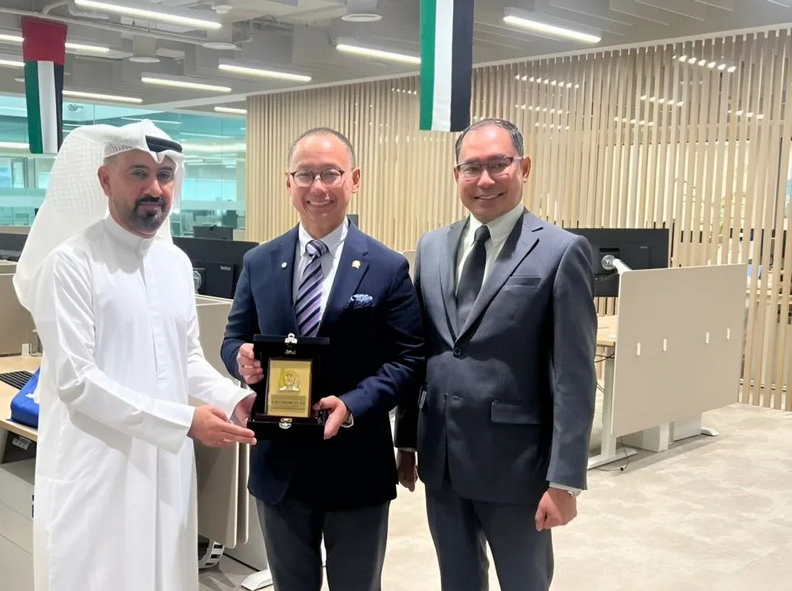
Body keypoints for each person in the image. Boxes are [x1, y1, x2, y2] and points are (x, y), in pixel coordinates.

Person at [12, 120, 257, 591]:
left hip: (164, 467)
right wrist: (184, 422)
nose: (155, 188)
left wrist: (233, 399)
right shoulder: (69, 264)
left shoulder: (175, 264)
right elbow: (77, 381)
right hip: (98, 469)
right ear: (105, 180)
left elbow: (185, 358)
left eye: (164, 175)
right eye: (139, 173)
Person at [395, 118, 597, 591]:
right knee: (457, 581)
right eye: (472, 167)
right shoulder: (432, 246)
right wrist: (406, 440)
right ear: (457, 175)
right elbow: (419, 352)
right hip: (441, 460)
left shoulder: (561, 251)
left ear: (523, 167)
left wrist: (565, 480)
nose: (484, 180)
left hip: (517, 468)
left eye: (498, 164)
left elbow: (574, 377)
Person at [221, 127, 424, 591]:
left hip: (356, 463)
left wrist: (352, 403)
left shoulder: (387, 266)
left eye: (331, 173)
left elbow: (409, 360)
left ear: (354, 179)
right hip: (279, 466)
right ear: (288, 183)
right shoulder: (260, 262)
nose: (318, 187)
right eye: (305, 175)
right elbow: (233, 339)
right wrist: (240, 359)